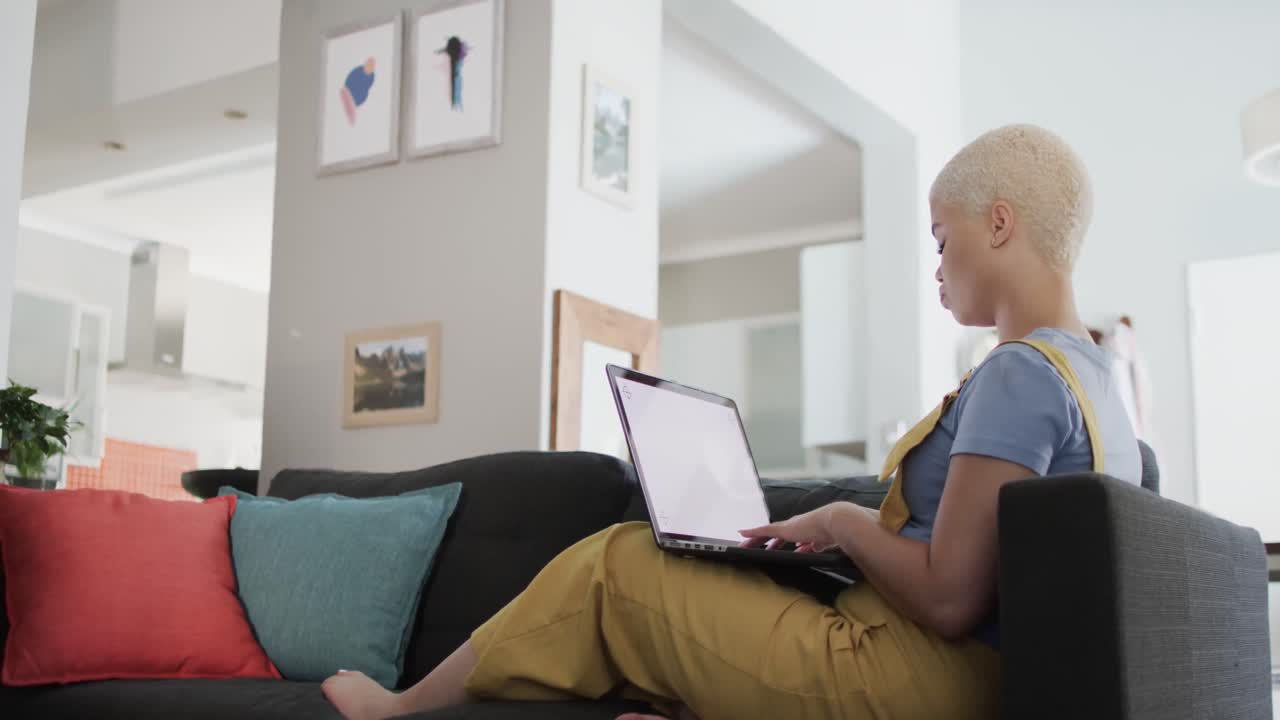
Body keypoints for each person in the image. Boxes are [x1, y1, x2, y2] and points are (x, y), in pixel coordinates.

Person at [321, 124, 1143, 720]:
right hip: (971, 671)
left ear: (999, 225)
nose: (936, 264)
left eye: (941, 238)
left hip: (920, 677)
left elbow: (953, 599)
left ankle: (397, 712)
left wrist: (846, 520)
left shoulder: (1015, 375)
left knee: (618, 559)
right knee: (709, 574)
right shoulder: (1099, 381)